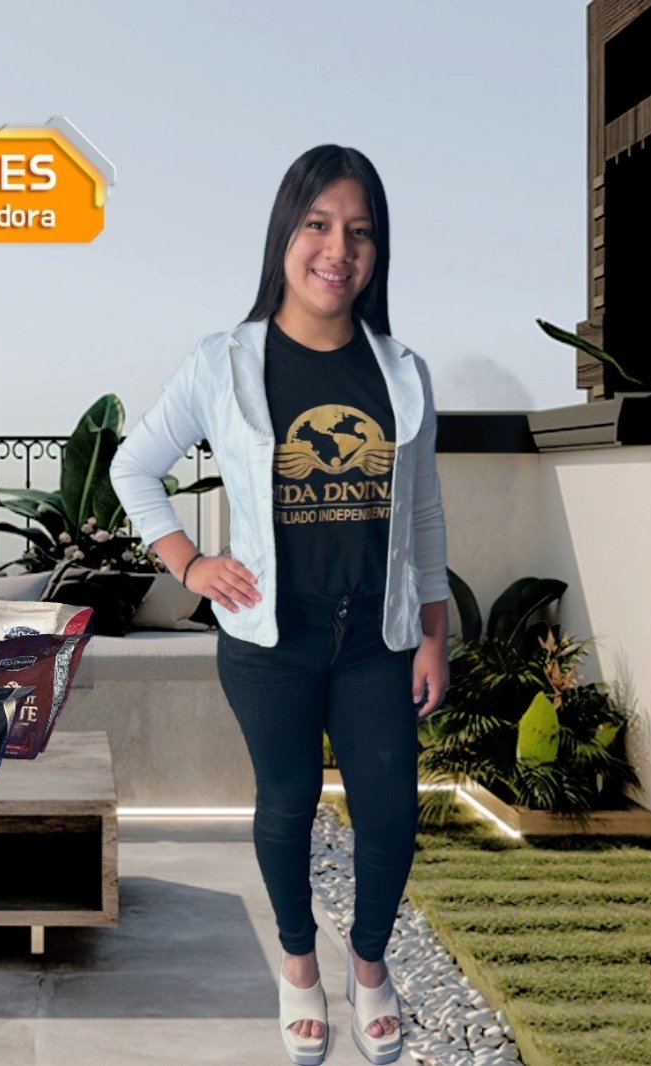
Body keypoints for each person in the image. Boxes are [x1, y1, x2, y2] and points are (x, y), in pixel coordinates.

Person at [109, 144, 450, 1066]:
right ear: (285, 236)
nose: (339, 249)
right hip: (271, 636)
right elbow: (134, 467)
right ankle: (299, 964)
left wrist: (433, 633)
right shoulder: (223, 362)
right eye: (319, 225)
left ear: (377, 251)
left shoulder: (402, 371)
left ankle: (368, 963)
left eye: (360, 232)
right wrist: (189, 563)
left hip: (377, 634)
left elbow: (422, 511)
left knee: (390, 812)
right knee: (288, 801)